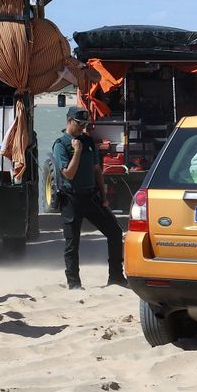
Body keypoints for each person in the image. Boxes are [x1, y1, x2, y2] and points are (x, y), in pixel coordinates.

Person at [51, 107, 125, 290]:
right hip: (71, 199)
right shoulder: (61, 144)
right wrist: (76, 151)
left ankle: (116, 276)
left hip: (91, 196)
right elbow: (68, 173)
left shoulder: (88, 141)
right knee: (72, 243)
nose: (82, 127)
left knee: (115, 232)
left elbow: (97, 170)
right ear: (69, 121)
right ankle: (74, 283)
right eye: (79, 124)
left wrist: (104, 195)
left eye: (85, 124)